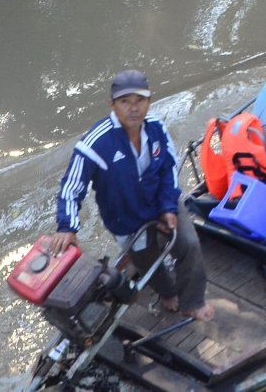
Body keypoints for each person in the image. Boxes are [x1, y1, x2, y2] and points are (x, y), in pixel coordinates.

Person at [51, 70, 213, 321]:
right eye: (125, 101)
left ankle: (192, 302)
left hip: (160, 201)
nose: (134, 108)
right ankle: (167, 292)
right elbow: (71, 187)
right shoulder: (95, 143)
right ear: (112, 105)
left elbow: (168, 168)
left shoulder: (157, 128)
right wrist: (67, 227)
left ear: (149, 101)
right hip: (125, 217)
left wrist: (167, 207)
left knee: (189, 244)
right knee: (146, 260)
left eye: (140, 100)